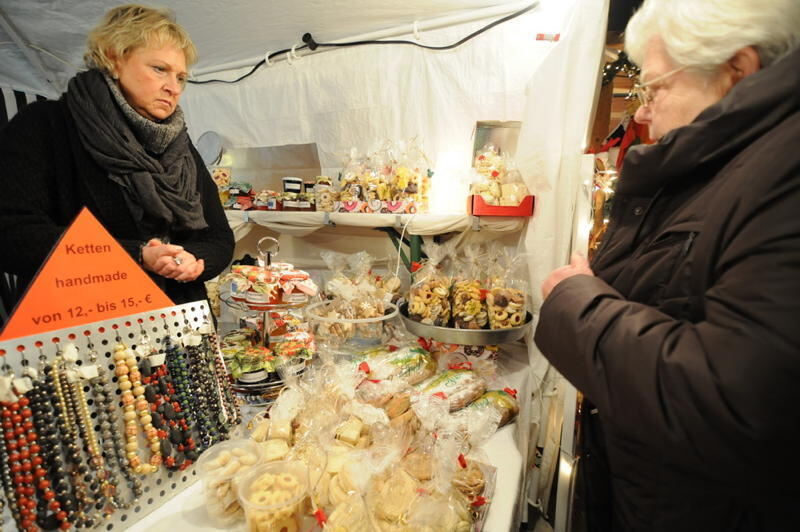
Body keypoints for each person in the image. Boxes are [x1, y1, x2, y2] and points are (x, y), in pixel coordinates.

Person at [534, 0, 800, 530]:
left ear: (736, 71)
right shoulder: (718, 170)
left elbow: (742, 404)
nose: (639, 112)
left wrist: (576, 301)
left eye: (655, 88)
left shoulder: (780, 174)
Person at [0, 4, 234, 307]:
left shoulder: (179, 144)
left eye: (180, 77)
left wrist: (194, 260)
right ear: (113, 58)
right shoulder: (46, 124)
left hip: (178, 324)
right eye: (159, 69)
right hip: (84, 328)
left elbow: (219, 238)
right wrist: (134, 255)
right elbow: (11, 234)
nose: (173, 88)